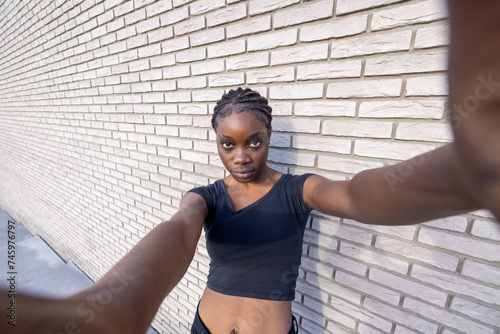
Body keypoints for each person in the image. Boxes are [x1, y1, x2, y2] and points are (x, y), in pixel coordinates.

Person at [2, 1, 499, 333]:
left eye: (254, 142)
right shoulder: (205, 198)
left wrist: (459, 175)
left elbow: (358, 195)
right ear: (217, 144)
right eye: (229, 144)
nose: (241, 156)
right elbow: (176, 233)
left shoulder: (299, 191)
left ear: (268, 139)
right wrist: (112, 306)